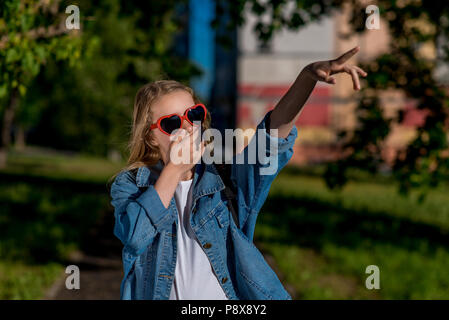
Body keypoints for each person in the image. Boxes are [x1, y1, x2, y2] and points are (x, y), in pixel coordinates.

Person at [109, 46, 367, 300]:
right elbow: (134, 237)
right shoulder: (131, 185)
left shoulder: (225, 179)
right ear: (151, 137)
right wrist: (174, 170)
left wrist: (307, 77)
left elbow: (271, 140)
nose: (188, 128)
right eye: (172, 123)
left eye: (193, 115)